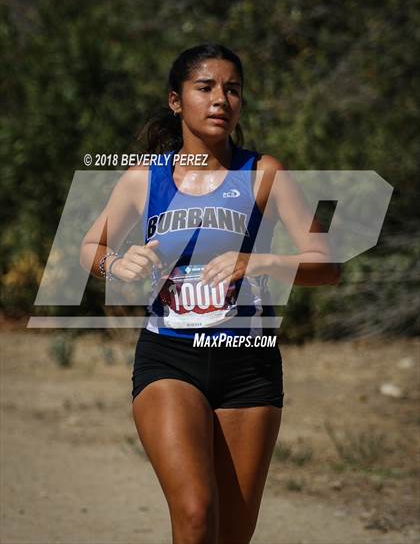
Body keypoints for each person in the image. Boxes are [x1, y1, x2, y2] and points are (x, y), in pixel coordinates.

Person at [80, 43, 340, 544]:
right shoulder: (144, 178)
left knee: (232, 535)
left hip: (249, 364)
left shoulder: (263, 173)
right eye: (206, 87)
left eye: (233, 89)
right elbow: (91, 245)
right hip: (169, 358)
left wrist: (260, 261)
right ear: (176, 101)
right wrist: (116, 262)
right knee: (197, 516)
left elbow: (326, 267)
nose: (222, 99)